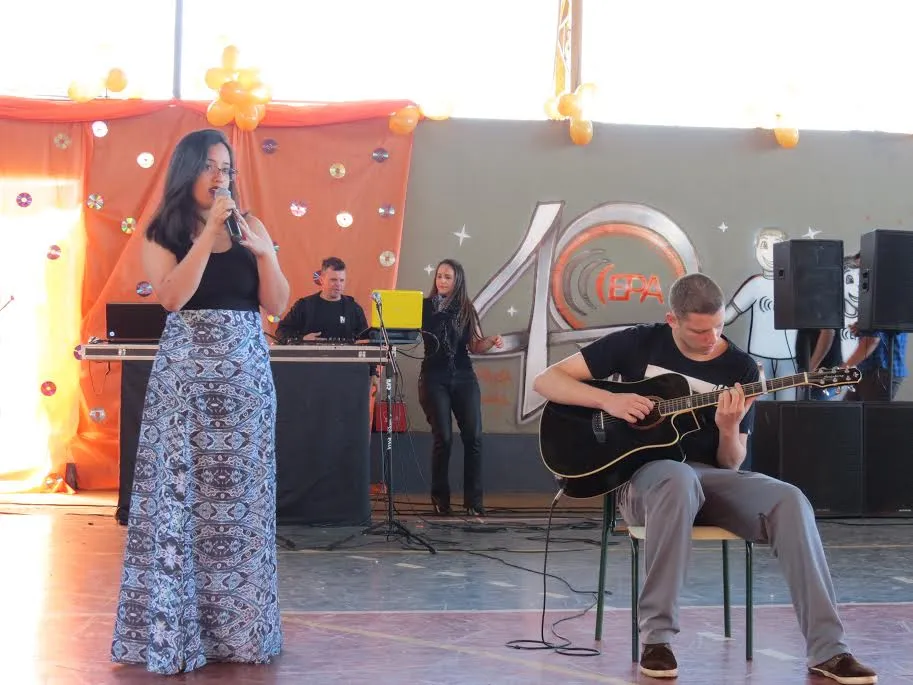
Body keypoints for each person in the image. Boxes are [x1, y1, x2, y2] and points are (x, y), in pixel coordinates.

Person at [532, 273, 876, 683]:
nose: (711, 337)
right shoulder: (638, 342)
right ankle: (657, 641)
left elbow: (730, 464)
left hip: (709, 477)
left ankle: (830, 651)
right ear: (672, 320)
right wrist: (611, 399)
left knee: (790, 499)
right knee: (677, 479)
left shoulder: (741, 367)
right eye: (699, 330)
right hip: (646, 480)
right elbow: (546, 380)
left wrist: (729, 428)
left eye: (717, 327)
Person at [110, 128, 290, 675]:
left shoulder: (251, 225)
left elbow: (276, 304)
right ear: (187, 169)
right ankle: (176, 631)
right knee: (183, 505)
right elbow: (171, 298)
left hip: (246, 387)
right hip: (185, 389)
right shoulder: (162, 231)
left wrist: (264, 255)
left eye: (226, 167)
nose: (220, 177)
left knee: (240, 510)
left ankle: (239, 632)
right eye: (210, 166)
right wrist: (207, 233)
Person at [419, 259, 503, 517]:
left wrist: (491, 341)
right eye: (439, 276)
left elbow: (475, 346)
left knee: (474, 437)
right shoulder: (423, 307)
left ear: (458, 282)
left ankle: (473, 501)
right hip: (434, 377)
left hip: (464, 377)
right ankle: (440, 499)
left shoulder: (467, 309)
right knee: (443, 437)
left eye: (447, 277)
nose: (441, 281)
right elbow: (405, 332)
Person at [275, 256, 378, 389]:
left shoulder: (353, 309)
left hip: (346, 375)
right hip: (309, 375)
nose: (338, 284)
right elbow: (281, 331)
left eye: (342, 280)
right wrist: (302, 339)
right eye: (333, 280)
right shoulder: (305, 306)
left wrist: (373, 372)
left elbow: (367, 341)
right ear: (322, 279)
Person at [841, 252, 907, 402]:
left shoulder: (884, 296)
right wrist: (862, 328)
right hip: (868, 370)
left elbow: (872, 341)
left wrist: (843, 369)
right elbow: (876, 333)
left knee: (871, 422)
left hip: (880, 372)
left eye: (862, 268)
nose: (860, 273)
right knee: (848, 418)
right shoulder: (875, 295)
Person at [795, 328, 842, 400]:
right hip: (811, 375)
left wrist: (810, 371)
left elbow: (828, 332)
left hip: (820, 376)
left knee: (812, 410)